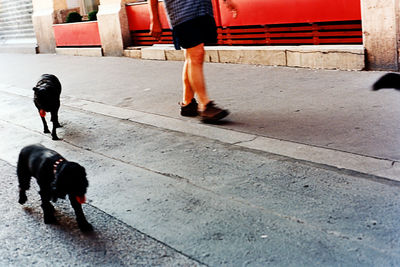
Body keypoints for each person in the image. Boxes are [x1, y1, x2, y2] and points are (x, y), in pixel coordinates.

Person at [148, 0, 237, 123]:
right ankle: (205, 105)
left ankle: (187, 103)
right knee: (197, 54)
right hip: (183, 14)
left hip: (202, 10)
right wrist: (155, 20)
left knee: (191, 56)